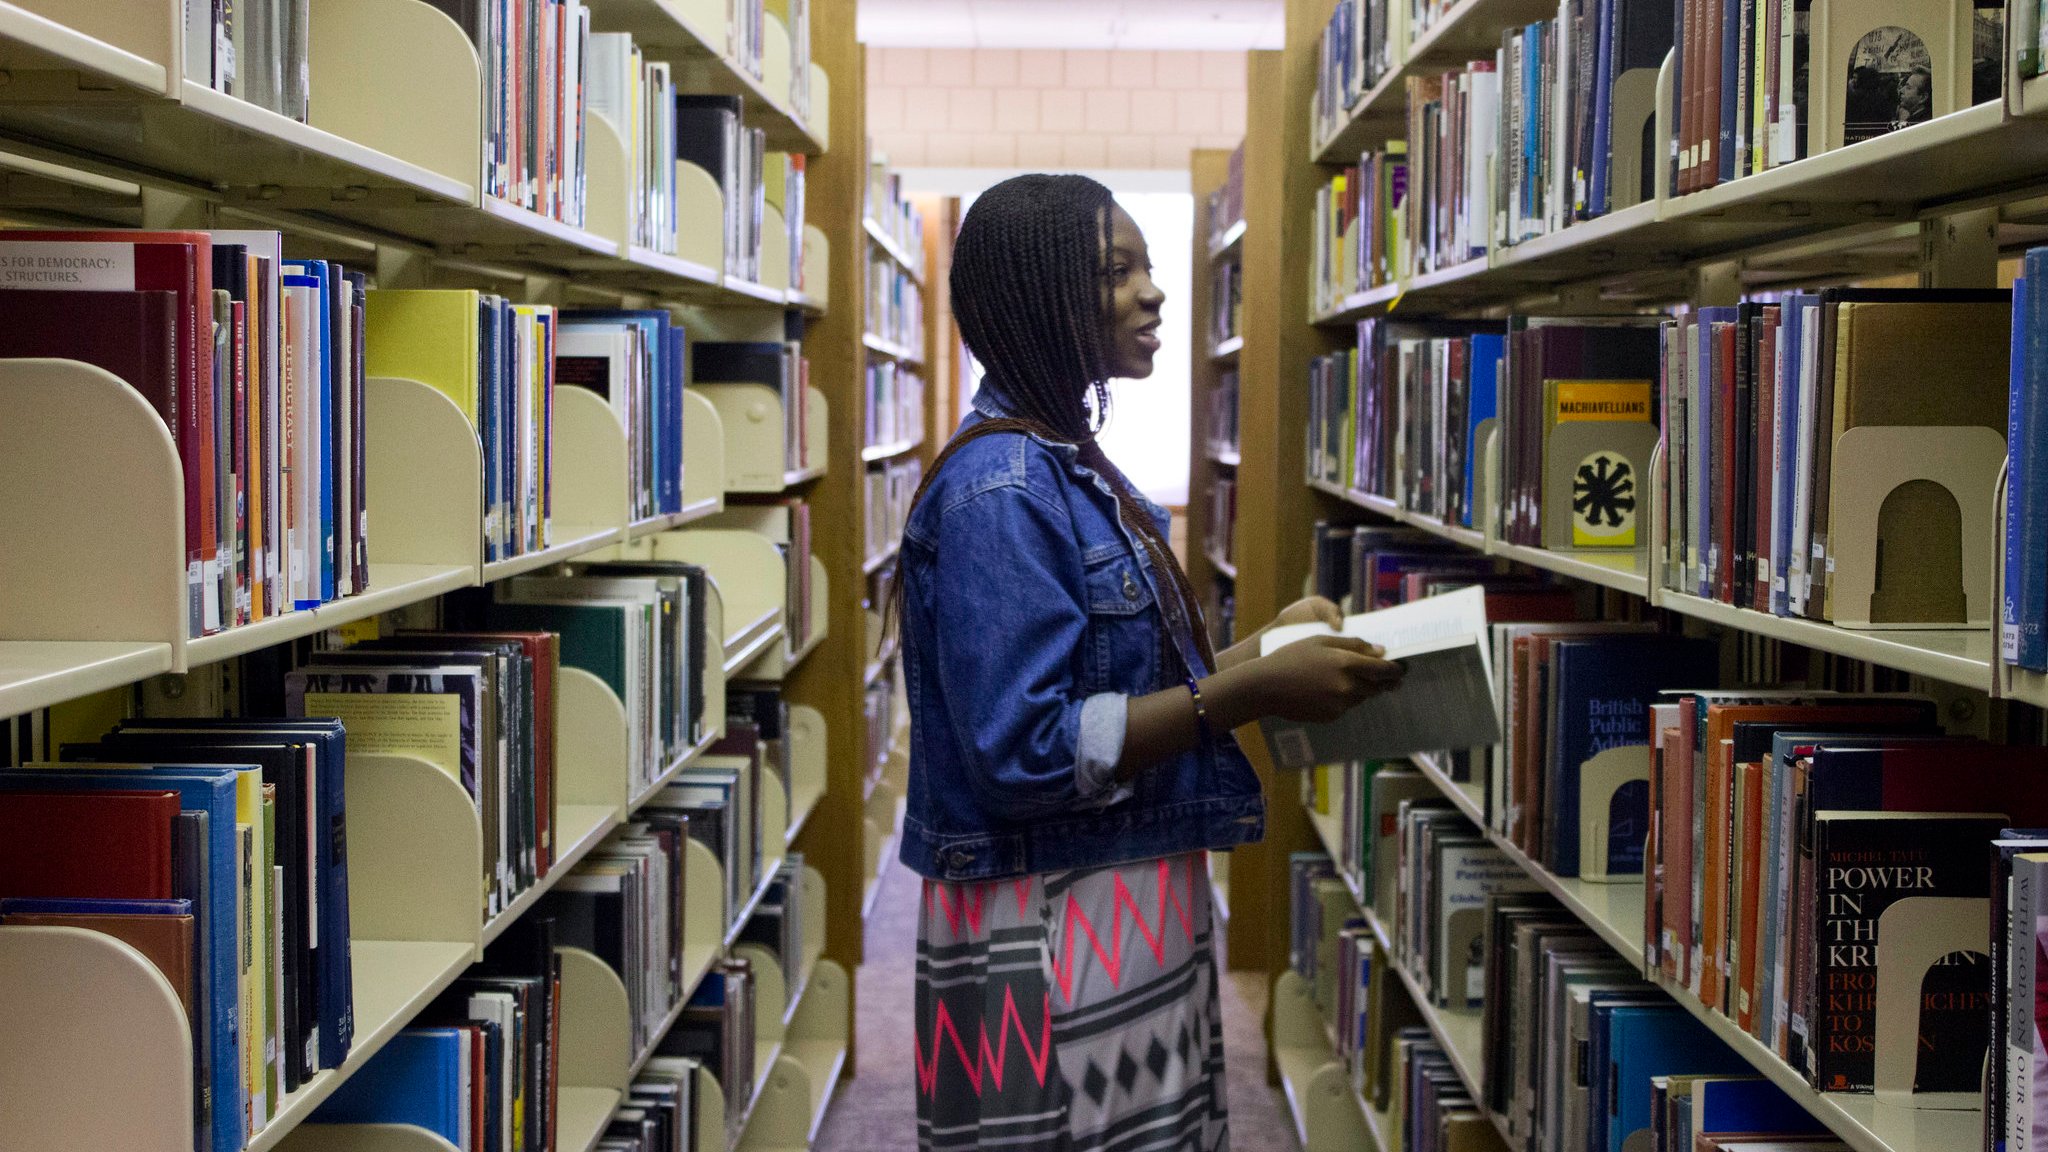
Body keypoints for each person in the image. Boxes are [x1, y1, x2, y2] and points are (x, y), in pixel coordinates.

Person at [898, 173, 1401, 1152]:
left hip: (1109, 901)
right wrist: (1249, 689)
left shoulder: (1063, 458)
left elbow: (1119, 690)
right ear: (1035, 299)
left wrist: (1268, 646)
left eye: (1147, 265)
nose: (1154, 292)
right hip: (1042, 927)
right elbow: (1029, 754)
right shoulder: (1000, 490)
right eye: (1113, 272)